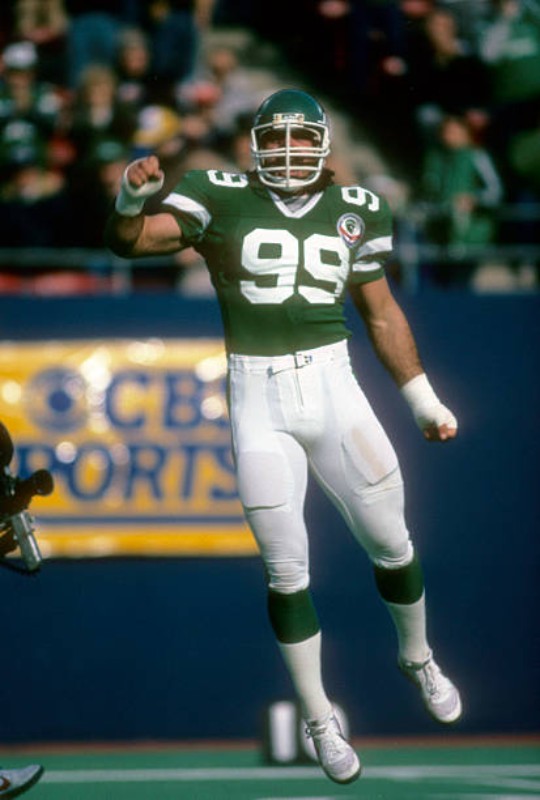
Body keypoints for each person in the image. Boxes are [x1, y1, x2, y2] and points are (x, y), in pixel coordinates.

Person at [105, 88, 462, 785]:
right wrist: (129, 199)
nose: (290, 151)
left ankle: (417, 655)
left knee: (392, 542)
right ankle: (319, 716)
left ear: (324, 145)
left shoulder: (357, 207)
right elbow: (132, 243)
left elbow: (382, 313)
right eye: (277, 138)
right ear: (256, 145)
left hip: (334, 386)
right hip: (257, 395)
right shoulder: (219, 192)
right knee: (286, 568)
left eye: (302, 139)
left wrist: (422, 399)